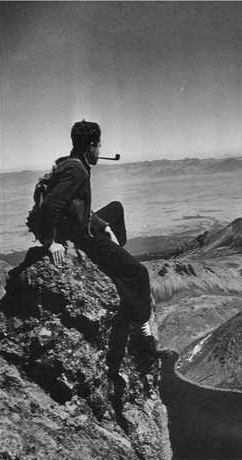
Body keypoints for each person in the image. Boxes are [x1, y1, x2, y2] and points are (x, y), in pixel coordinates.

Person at [39, 120, 157, 374]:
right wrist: (51, 242)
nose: (100, 150)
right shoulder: (78, 171)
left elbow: (78, 206)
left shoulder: (69, 162)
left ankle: (117, 257)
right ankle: (144, 331)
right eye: (99, 144)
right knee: (139, 273)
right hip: (85, 237)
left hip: (86, 226)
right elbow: (51, 207)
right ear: (91, 146)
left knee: (115, 209)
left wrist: (105, 225)